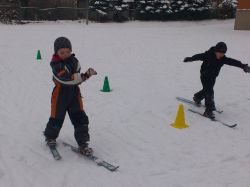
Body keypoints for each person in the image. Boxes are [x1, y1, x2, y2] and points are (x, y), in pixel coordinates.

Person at [44, 37, 97, 156]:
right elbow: (67, 79)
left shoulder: (74, 61)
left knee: (80, 118)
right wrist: (81, 77)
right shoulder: (56, 65)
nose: (65, 54)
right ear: (56, 52)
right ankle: (50, 136)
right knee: (56, 118)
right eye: (62, 52)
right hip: (60, 95)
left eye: (68, 51)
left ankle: (83, 144)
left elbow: (76, 80)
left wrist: (87, 74)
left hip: (74, 95)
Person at [183, 42, 250, 118]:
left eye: (222, 53)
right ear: (215, 51)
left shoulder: (223, 59)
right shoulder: (208, 55)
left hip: (212, 77)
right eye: (219, 53)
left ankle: (197, 97)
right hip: (205, 76)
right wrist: (189, 59)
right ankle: (209, 110)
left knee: (207, 90)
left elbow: (233, 62)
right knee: (210, 91)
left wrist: (243, 66)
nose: (220, 55)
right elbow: (198, 56)